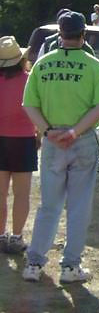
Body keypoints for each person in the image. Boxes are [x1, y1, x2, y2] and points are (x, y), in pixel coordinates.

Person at [21, 12, 99, 282]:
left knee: (48, 206)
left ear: (60, 34)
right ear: (83, 34)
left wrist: (48, 131)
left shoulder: (42, 64)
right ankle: (70, 266)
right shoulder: (94, 65)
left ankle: (34, 264)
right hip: (82, 139)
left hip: (53, 141)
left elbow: (29, 104)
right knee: (79, 206)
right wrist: (76, 130)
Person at [0, 37, 36, 255]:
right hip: (23, 140)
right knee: (22, 194)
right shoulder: (29, 80)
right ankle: (16, 236)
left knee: (0, 194)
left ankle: (1, 235)